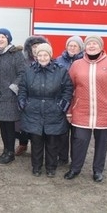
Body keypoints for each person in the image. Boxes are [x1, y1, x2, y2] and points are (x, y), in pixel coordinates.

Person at [64, 35, 107, 182]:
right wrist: (70, 110)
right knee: (79, 140)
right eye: (89, 44)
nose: (92, 46)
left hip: (105, 112)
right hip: (82, 111)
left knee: (101, 142)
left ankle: (98, 170)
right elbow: (68, 88)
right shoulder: (77, 65)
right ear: (85, 47)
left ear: (101, 46)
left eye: (95, 43)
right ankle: (75, 168)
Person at [18, 43, 73, 177]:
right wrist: (23, 103)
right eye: (40, 55)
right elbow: (22, 88)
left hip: (54, 110)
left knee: (52, 142)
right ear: (36, 57)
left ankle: (51, 168)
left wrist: (62, 105)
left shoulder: (60, 71)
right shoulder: (29, 70)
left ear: (50, 55)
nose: (42, 58)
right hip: (33, 110)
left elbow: (68, 89)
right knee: (36, 142)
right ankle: (36, 167)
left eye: (45, 55)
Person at [0, 28, 26, 165]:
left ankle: (10, 153)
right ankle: (5, 150)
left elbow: (23, 73)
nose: (0, 39)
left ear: (8, 39)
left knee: (9, 126)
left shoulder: (16, 54)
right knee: (2, 126)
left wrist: (13, 87)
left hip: (10, 96)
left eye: (3, 37)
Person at [15, 35, 49, 156]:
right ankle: (23, 144)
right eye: (34, 46)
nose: (36, 48)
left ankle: (38, 148)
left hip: (41, 98)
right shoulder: (24, 61)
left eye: (39, 46)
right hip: (26, 97)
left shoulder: (48, 60)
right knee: (22, 123)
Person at [55, 36, 84, 166]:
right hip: (62, 100)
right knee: (62, 131)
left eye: (75, 46)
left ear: (80, 48)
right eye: (70, 45)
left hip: (78, 102)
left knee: (77, 134)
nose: (72, 48)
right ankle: (62, 158)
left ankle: (75, 159)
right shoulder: (59, 60)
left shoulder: (84, 61)